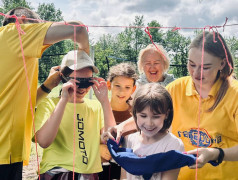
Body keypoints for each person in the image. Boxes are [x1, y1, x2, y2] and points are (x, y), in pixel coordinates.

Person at [107, 31, 238, 180]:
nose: (196, 73)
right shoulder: (176, 88)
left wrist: (216, 154)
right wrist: (120, 128)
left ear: (222, 63)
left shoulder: (235, 94)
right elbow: (150, 113)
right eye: (191, 64)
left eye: (205, 67)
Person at [0, 7, 89, 180]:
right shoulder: (14, 33)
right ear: (23, 21)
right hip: (4, 149)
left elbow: (23, 103)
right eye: (38, 26)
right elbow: (77, 29)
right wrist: (84, 54)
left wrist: (47, 86)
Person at [34, 50, 116, 179]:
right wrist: (63, 100)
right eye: (77, 82)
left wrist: (105, 101)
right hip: (58, 171)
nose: (82, 88)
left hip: (88, 173)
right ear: (64, 78)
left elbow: (111, 139)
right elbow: (43, 141)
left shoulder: (95, 106)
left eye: (87, 82)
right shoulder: (49, 105)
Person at [102, 83, 184, 180]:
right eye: (143, 116)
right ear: (135, 113)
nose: (149, 123)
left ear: (167, 114)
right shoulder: (129, 140)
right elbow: (124, 176)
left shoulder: (173, 144)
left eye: (156, 116)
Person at [98, 62, 137, 180]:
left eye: (127, 87)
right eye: (117, 86)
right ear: (109, 85)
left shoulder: (137, 115)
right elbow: (86, 137)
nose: (121, 92)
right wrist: (97, 148)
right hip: (101, 170)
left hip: (127, 171)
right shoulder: (98, 109)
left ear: (133, 89)